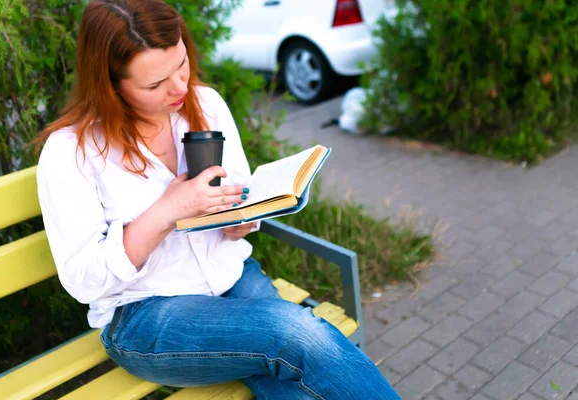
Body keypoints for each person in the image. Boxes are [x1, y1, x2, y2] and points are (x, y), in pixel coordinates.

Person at [34, 0, 401, 398]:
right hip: (147, 314)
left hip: (232, 278)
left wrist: (244, 216)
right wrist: (168, 211)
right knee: (297, 332)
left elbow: (236, 215)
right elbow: (84, 280)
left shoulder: (204, 105)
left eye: (181, 65)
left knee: (292, 382)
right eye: (155, 84)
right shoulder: (72, 152)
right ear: (109, 84)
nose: (179, 88)